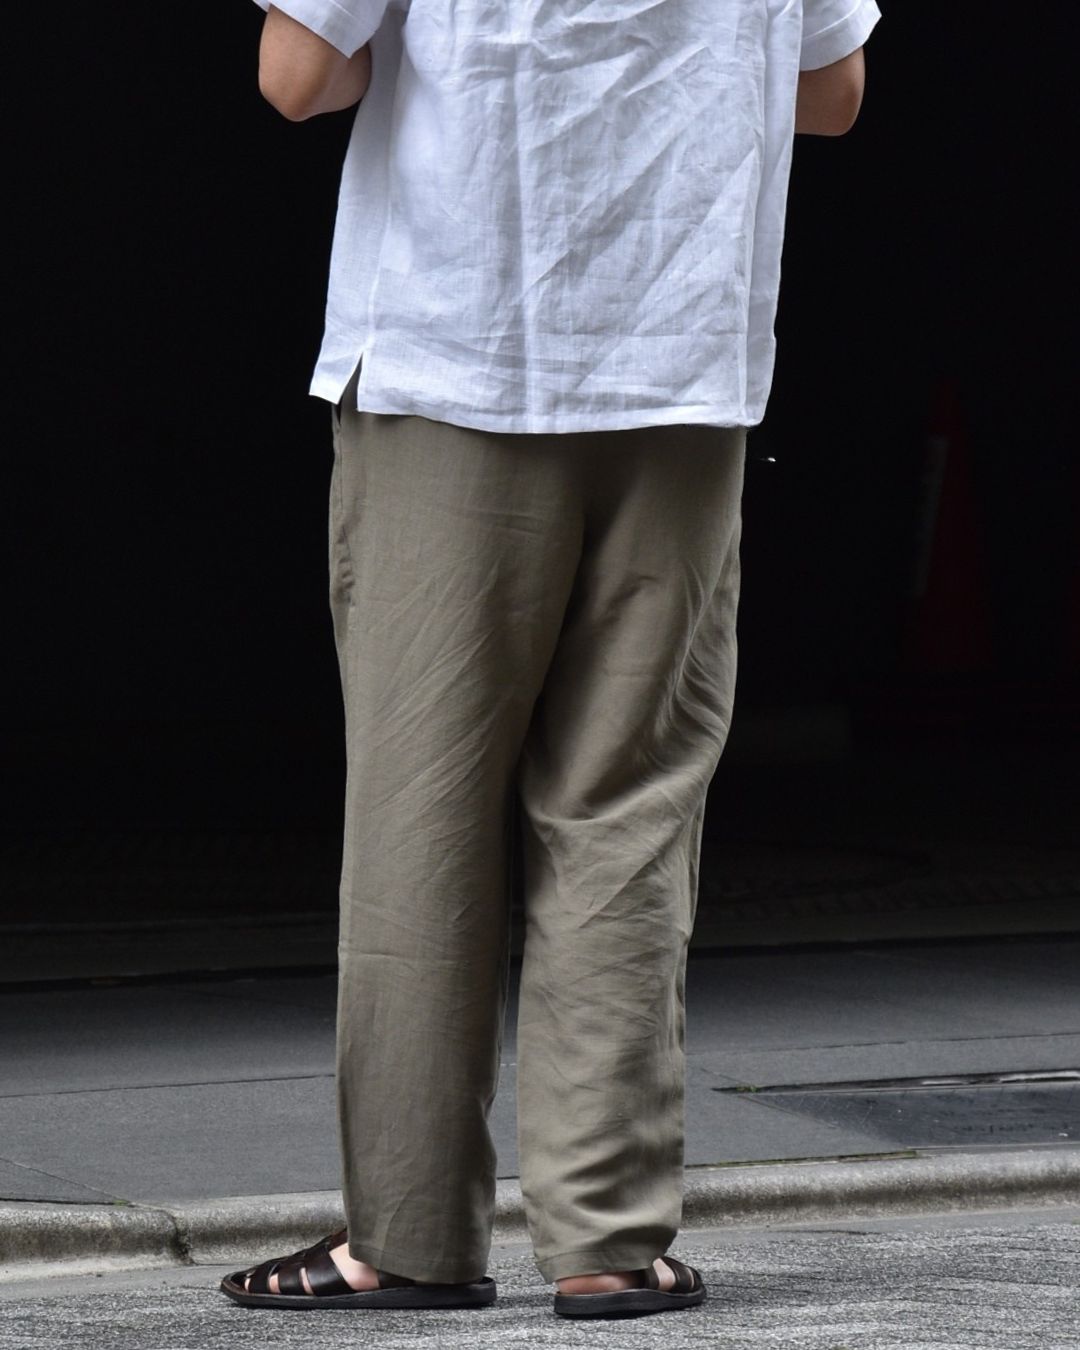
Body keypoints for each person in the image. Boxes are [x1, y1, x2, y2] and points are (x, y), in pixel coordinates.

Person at [220, 0, 881, 1321]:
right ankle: (607, 1239)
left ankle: (408, 1235)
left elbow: (297, 76)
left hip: (459, 343)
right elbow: (833, 92)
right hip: (679, 355)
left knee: (425, 808)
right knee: (627, 807)